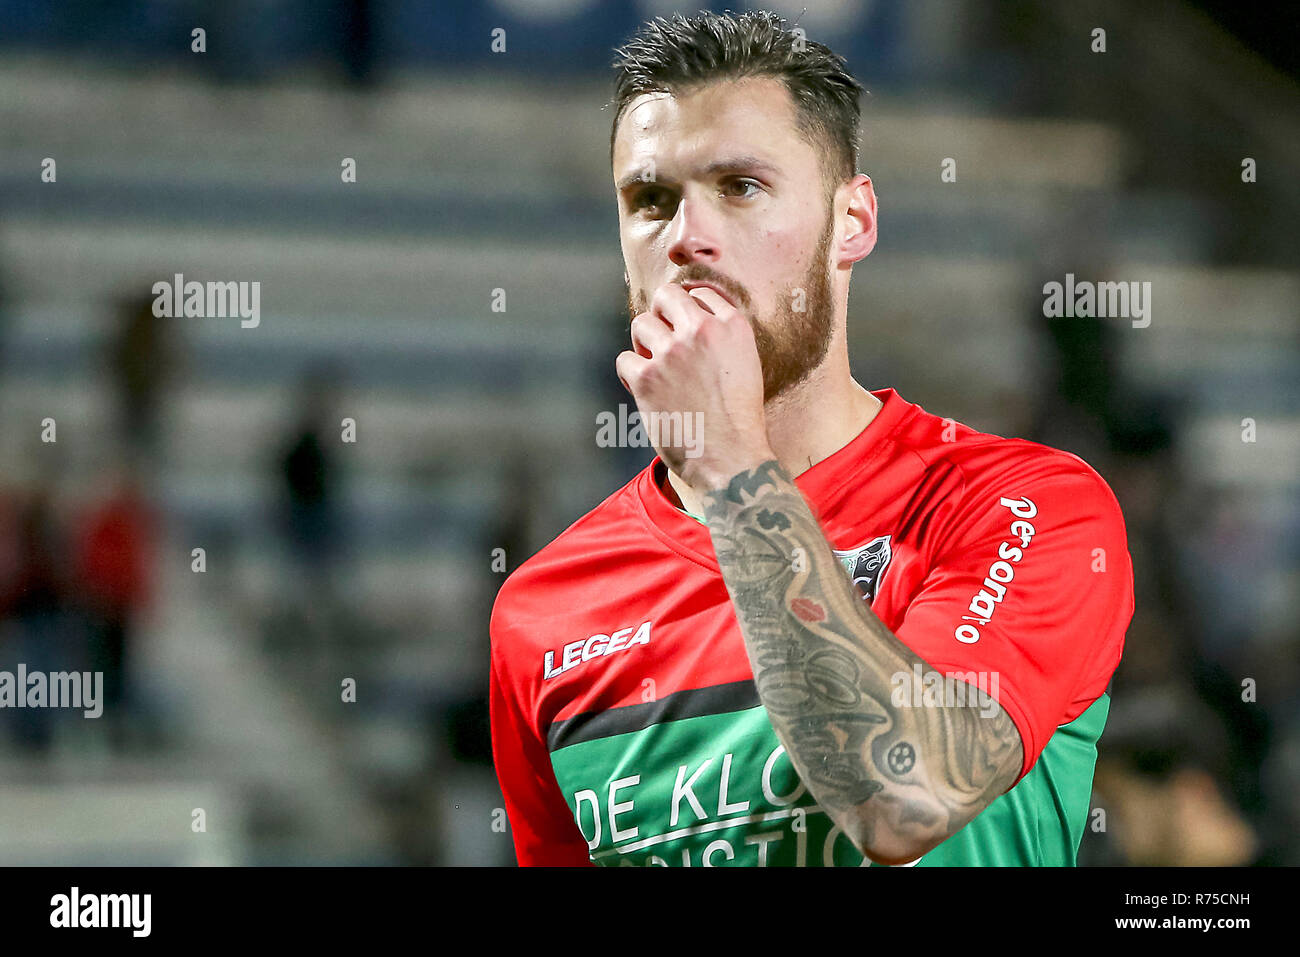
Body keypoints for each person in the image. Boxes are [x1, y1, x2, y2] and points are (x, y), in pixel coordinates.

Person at [489, 10, 1133, 867]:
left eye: (741, 187)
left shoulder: (1024, 505)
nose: (687, 238)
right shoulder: (543, 611)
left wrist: (729, 468)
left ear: (853, 222)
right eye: (650, 200)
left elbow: (909, 796)